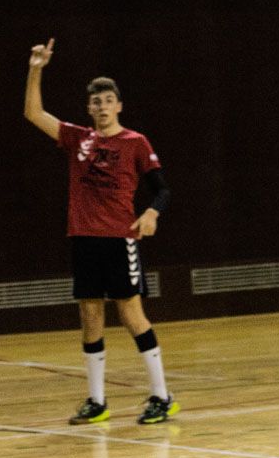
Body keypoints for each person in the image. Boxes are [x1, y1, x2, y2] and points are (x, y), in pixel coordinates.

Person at [23, 38, 178, 425]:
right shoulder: (78, 138)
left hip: (118, 238)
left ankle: (162, 395)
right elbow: (33, 112)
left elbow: (162, 188)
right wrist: (36, 67)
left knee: (130, 313)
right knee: (90, 315)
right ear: (89, 109)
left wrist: (151, 213)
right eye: (96, 102)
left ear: (119, 106)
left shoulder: (135, 142)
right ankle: (97, 401)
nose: (102, 107)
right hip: (83, 237)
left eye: (108, 100)